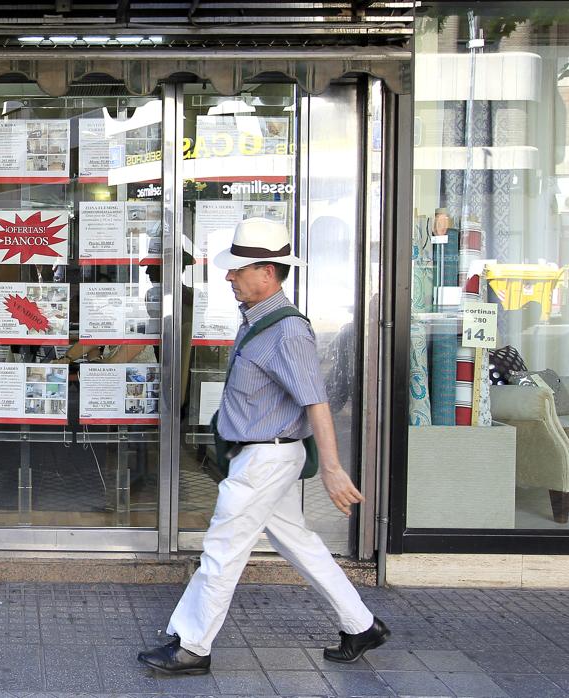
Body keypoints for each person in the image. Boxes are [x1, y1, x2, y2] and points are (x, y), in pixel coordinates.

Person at [137, 218, 389, 676]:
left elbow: (316, 401)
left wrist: (332, 468)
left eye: (239, 269)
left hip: (266, 459)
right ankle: (361, 624)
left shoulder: (287, 332)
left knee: (222, 547)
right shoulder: (259, 321)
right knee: (301, 544)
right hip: (260, 455)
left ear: (267, 272)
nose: (230, 276)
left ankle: (193, 646)